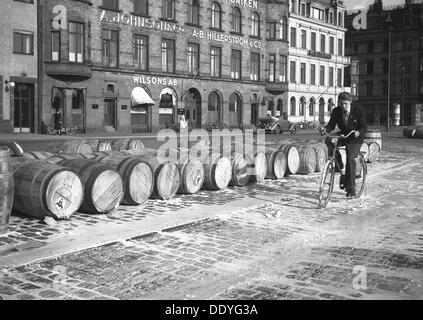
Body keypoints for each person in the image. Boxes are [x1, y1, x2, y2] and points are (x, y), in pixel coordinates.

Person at [320, 92, 367, 198]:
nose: (343, 106)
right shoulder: (336, 111)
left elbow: (363, 127)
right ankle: (338, 165)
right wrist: (325, 129)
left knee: (351, 159)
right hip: (344, 134)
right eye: (341, 103)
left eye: (345, 104)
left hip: (355, 138)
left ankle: (351, 189)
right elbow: (331, 125)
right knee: (329, 140)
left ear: (350, 103)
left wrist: (358, 132)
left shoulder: (358, 110)